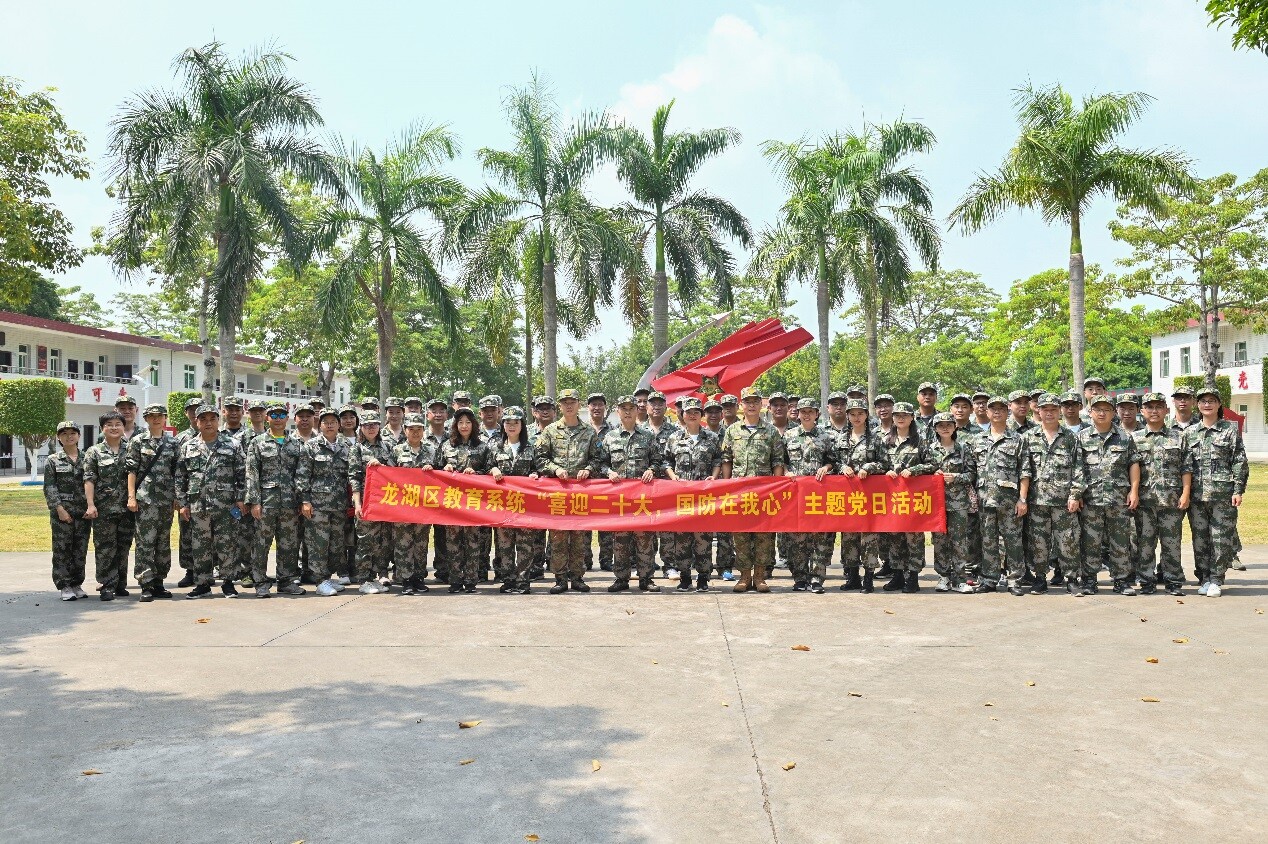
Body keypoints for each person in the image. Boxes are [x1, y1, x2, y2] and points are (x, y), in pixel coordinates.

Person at [1071, 396, 1141, 596]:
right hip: (1091, 498)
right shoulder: (1081, 437)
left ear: (1113, 412)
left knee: (1120, 541)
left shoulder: (1125, 437)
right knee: (1090, 541)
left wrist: (1134, 490)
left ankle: (1121, 580)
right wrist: (1077, 493)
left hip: (1118, 498)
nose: (1102, 413)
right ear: (1090, 412)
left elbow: (1133, 464)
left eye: (1106, 409)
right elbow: (1076, 467)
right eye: (1097, 409)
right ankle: (1089, 580)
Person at [176, 404, 246, 599]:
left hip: (226, 505)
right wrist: (183, 504)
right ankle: (203, 584)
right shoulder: (188, 447)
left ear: (218, 421)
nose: (208, 423)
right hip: (198, 505)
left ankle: (228, 583)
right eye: (203, 419)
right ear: (197, 422)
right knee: (200, 546)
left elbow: (242, 474)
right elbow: (180, 478)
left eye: (212, 419)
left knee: (227, 544)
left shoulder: (232, 444)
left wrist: (241, 499)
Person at [535, 390, 603, 593]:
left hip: (581, 493)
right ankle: (560, 579)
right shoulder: (550, 431)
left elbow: (597, 459)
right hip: (558, 493)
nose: (569, 406)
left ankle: (577, 577)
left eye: (572, 402)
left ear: (578, 404)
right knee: (558, 538)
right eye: (565, 402)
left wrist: (588, 469)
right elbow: (540, 459)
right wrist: (555, 469)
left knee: (580, 538)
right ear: (560, 406)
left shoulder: (589, 431)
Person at [721, 388, 787, 594]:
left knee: (763, 536)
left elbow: (777, 461)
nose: (751, 405)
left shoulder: (770, 431)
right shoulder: (732, 431)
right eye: (747, 402)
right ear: (741, 405)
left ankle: (759, 577)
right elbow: (726, 459)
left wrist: (776, 487)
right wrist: (726, 486)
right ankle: (744, 576)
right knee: (740, 535)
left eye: (755, 402)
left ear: (761, 405)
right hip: (739, 491)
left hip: (763, 492)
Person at [1185, 387, 1248, 597]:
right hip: (1196, 496)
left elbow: (1239, 461)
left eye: (1212, 400)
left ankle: (1216, 580)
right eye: (1203, 401)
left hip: (1223, 495)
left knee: (1220, 539)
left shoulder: (1229, 430)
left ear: (1219, 404)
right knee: (1200, 539)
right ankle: (1204, 578)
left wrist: (1238, 490)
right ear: (1198, 405)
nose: (1207, 404)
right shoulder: (1190, 433)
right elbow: (1184, 466)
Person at [599, 395, 662, 593]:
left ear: (637, 411)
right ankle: (621, 578)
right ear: (618, 411)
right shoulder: (610, 437)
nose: (627, 412)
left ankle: (646, 578)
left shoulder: (648, 436)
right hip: (620, 499)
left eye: (631, 408)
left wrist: (651, 469)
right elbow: (601, 463)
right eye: (623, 408)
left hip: (642, 497)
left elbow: (658, 460)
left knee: (644, 539)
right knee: (621, 539)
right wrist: (609, 472)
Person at [1021, 394, 1081, 596]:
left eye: (1053, 409)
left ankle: (1071, 579)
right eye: (1045, 409)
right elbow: (1024, 470)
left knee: (1068, 540)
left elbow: (1079, 469)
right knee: (1039, 541)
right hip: (1037, 500)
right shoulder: (1028, 437)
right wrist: (1023, 498)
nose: (1049, 413)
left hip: (1064, 501)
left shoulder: (1070, 438)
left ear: (1059, 411)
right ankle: (1040, 578)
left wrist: (1075, 495)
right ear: (1038, 411)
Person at [1133, 392, 1192, 596]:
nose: (1154, 411)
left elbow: (1186, 468)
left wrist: (1185, 494)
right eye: (1149, 407)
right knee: (1145, 543)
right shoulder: (1135, 438)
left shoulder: (1179, 437)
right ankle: (1146, 581)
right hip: (1145, 501)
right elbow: (1130, 469)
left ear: (1166, 410)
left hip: (1171, 500)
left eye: (1158, 407)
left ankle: (1173, 581)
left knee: (1171, 544)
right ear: (1142, 411)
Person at [245, 402, 306, 597]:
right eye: (274, 415)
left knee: (289, 544)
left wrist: (302, 500)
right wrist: (254, 501)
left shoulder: (296, 444)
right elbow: (252, 474)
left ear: (287, 418)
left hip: (290, 502)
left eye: (281, 415)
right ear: (267, 418)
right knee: (261, 544)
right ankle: (261, 582)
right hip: (266, 502)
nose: (278, 419)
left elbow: (301, 474)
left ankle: (286, 581)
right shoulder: (257, 443)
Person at [664, 397, 723, 592]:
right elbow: (666, 462)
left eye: (696, 412)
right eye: (688, 412)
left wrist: (714, 477)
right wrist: (673, 477)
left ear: (701, 415)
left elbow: (717, 460)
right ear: (683, 415)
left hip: (704, 496)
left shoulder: (712, 438)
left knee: (703, 538)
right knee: (682, 538)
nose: (692, 415)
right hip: (682, 497)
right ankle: (685, 578)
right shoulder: (674, 438)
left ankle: (703, 578)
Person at [971, 396, 1027, 595]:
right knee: (988, 540)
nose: (997, 412)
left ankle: (1014, 580)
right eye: (992, 409)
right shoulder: (977, 440)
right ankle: (989, 579)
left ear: (1007, 412)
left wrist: (1022, 499)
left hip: (1009, 501)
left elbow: (1025, 471)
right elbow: (972, 471)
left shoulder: (1018, 439)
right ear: (986, 412)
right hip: (985, 499)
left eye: (1001, 409)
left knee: (1013, 541)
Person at [296, 408, 354, 597]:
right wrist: (305, 500)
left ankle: (327, 577)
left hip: (339, 505)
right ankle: (320, 580)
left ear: (338, 425)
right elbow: (302, 475)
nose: (329, 425)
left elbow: (352, 474)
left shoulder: (346, 446)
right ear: (319, 425)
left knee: (336, 545)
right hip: (318, 505)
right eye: (326, 422)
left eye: (333, 422)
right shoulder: (311, 446)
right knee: (318, 543)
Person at [781, 398, 835, 594]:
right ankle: (800, 578)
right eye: (803, 411)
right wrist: (787, 472)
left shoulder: (825, 437)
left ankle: (817, 578)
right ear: (798, 414)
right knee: (797, 537)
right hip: (795, 494)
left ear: (816, 414)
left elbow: (832, 460)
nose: (806, 415)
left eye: (810, 411)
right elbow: (781, 461)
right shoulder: (789, 435)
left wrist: (826, 467)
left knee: (821, 537)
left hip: (819, 495)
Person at [835, 398, 889, 593]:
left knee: (868, 537)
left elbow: (885, 464)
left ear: (866, 415)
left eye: (860, 413)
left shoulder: (875, 438)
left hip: (868, 496)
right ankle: (852, 577)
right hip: (848, 496)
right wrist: (842, 467)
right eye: (852, 414)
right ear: (847, 416)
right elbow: (833, 461)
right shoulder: (841, 439)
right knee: (848, 536)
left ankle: (868, 579)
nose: (856, 417)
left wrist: (869, 467)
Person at [125, 403, 178, 602]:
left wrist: (177, 497)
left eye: (160, 416)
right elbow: (131, 470)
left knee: (163, 542)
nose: (156, 419)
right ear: (146, 419)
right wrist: (131, 497)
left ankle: (159, 582)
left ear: (165, 418)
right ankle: (146, 584)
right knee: (145, 542)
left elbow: (177, 472)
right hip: (145, 499)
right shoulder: (138, 441)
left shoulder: (173, 443)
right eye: (152, 416)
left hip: (166, 500)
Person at [437, 406, 493, 593]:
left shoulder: (482, 447)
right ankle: (455, 580)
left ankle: (470, 581)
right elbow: (436, 470)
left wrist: (476, 473)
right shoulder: (446, 446)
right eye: (460, 422)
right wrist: (445, 469)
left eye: (468, 422)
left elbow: (489, 470)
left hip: (473, 502)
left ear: (474, 424)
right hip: (452, 502)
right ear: (455, 425)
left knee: (472, 542)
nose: (464, 426)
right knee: (453, 542)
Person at [883, 402, 936, 593]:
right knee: (895, 535)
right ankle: (897, 575)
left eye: (905, 415)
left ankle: (913, 577)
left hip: (914, 498)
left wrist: (914, 470)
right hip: (892, 498)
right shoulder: (886, 441)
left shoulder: (920, 441)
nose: (901, 418)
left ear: (912, 418)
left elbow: (932, 464)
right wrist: (886, 470)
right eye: (897, 415)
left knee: (914, 537)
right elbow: (879, 463)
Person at [84, 410, 136, 600]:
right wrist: (90, 504)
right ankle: (107, 585)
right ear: (102, 428)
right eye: (109, 425)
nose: (114, 428)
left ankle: (120, 583)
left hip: (127, 508)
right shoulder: (94, 452)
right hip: (104, 509)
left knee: (124, 546)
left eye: (117, 424)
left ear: (123, 427)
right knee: (105, 547)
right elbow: (89, 479)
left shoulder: (131, 449)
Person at [489, 407, 540, 594]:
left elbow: (539, 468)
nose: (512, 426)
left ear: (522, 425)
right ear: (503, 425)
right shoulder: (496, 447)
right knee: (505, 544)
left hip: (525, 505)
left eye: (516, 422)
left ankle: (523, 582)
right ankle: (508, 580)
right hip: (503, 505)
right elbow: (486, 466)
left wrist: (535, 474)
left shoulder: (531, 447)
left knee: (525, 544)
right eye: (508, 423)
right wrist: (493, 469)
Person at [389, 413, 439, 594]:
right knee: (403, 543)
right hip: (403, 506)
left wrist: (432, 470)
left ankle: (418, 578)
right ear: (405, 430)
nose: (415, 432)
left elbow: (441, 475)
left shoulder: (432, 450)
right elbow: (388, 475)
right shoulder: (397, 450)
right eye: (411, 429)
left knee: (421, 543)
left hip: (424, 507)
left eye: (419, 429)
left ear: (424, 431)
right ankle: (406, 580)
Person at [928, 413, 976, 593]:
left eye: (949, 424)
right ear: (935, 428)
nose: (945, 428)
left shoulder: (963, 449)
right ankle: (943, 577)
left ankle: (960, 579)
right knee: (939, 540)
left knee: (959, 541)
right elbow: (924, 471)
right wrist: (933, 476)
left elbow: (972, 474)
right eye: (941, 425)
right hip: (936, 503)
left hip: (958, 503)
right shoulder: (930, 449)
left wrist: (956, 477)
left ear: (955, 427)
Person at [350, 410, 396, 594]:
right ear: (361, 427)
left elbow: (395, 472)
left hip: (385, 501)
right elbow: (354, 477)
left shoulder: (387, 447)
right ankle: (363, 579)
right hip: (366, 501)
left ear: (379, 426)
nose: (371, 428)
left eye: (374, 424)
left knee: (382, 542)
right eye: (367, 425)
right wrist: (357, 504)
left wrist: (382, 467)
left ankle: (375, 576)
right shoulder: (357, 449)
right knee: (365, 541)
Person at [45, 421, 90, 601]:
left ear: (78, 435)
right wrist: (59, 509)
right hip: (62, 512)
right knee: (62, 549)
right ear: (58, 437)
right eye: (64, 433)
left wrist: (91, 506)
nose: (69, 436)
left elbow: (93, 483)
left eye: (72, 433)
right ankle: (64, 585)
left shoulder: (88, 458)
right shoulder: (53, 460)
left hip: (83, 512)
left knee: (80, 549)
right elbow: (50, 487)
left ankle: (76, 583)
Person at [641, 391, 680, 579]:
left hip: (667, 486)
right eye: (652, 404)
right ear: (646, 407)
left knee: (667, 527)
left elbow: (673, 459)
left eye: (660, 404)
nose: (656, 407)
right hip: (644, 487)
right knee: (645, 526)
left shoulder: (674, 431)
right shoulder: (639, 429)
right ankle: (645, 564)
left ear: (666, 407)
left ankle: (669, 565)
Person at [585, 392, 615, 574]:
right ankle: (585, 560)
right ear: (588, 407)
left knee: (607, 524)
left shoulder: (613, 430)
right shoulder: (581, 429)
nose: (596, 408)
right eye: (593, 404)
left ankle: (606, 560)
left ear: (605, 407)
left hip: (606, 485)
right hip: (584, 484)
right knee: (584, 523)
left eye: (600, 404)